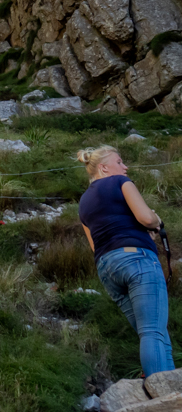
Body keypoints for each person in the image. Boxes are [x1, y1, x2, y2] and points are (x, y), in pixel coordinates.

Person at [78, 145, 174, 375]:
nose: (125, 166)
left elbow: (95, 246)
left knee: (153, 333)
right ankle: (163, 398)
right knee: (153, 332)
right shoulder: (122, 183)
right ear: (104, 168)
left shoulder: (82, 203)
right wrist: (155, 221)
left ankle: (171, 392)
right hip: (137, 259)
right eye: (119, 162)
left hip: (107, 268)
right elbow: (145, 217)